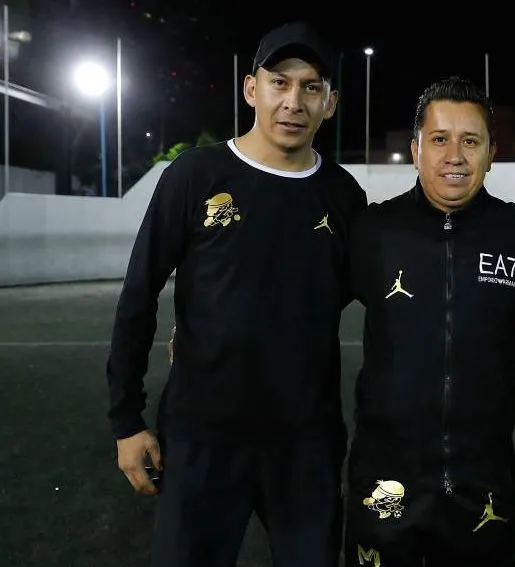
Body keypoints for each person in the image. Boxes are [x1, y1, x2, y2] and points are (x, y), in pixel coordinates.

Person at [105, 22, 366, 567]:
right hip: (204, 434)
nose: (293, 102)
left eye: (311, 87)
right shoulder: (194, 175)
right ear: (252, 89)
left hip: (305, 442)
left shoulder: (344, 196)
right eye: (280, 83)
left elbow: (338, 292)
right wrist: (128, 421)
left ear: (331, 102)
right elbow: (138, 295)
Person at [343, 76, 515, 567]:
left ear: (491, 152)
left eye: (470, 140)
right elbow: (297, 311)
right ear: (416, 149)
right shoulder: (373, 232)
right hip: (386, 472)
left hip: (483, 476)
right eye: (439, 139)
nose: (454, 155)